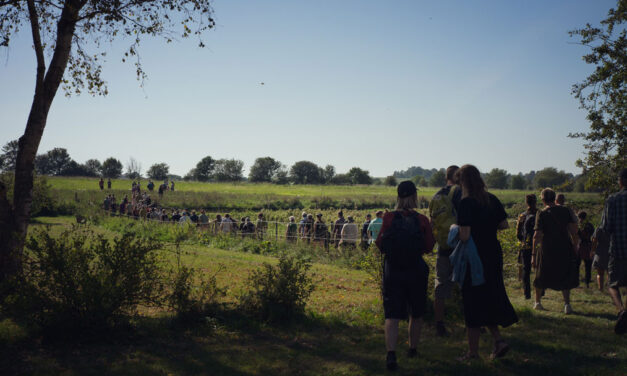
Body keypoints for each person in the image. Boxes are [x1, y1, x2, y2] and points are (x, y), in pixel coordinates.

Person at [456, 164, 518, 361]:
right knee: (490, 295)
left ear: (463, 181)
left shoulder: (466, 203)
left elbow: (464, 236)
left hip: (475, 257)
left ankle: (473, 352)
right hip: (493, 253)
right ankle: (498, 341)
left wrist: (453, 229)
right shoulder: (491, 199)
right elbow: (504, 224)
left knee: (472, 301)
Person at [375, 180, 434, 371]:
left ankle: (391, 354)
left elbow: (379, 243)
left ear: (398, 196)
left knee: (392, 313)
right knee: (416, 312)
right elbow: (429, 246)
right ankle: (413, 349)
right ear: (415, 196)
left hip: (393, 269)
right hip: (415, 269)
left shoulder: (389, 218)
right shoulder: (422, 220)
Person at [532, 188, 579, 313]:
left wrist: (533, 254)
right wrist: (575, 245)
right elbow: (574, 231)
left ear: (542, 199)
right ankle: (567, 305)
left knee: (541, 275)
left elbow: (537, 235)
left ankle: (537, 302)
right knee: (565, 274)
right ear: (554, 197)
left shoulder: (541, 213)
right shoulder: (565, 210)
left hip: (547, 249)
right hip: (564, 247)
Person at [429, 165, 462, 336]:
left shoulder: (436, 196)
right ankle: (475, 322)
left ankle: (439, 323)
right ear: (458, 177)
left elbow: (432, 222)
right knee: (468, 284)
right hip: (461, 245)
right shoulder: (460, 193)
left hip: (443, 247)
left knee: (440, 284)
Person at [597, 168, 627, 334]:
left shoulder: (613, 200)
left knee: (612, 284)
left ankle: (621, 310)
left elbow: (606, 227)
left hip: (618, 248)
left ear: (621, 181)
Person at [515, 194, 538, 300]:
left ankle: (527, 294)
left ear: (526, 202)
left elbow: (518, 234)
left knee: (526, 270)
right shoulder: (540, 214)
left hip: (526, 246)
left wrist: (524, 241)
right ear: (536, 201)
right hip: (539, 245)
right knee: (539, 268)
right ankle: (541, 292)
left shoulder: (522, 216)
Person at [577, 211, 595, 288]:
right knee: (588, 266)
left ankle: (576, 281)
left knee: (577, 265)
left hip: (580, 246)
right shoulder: (590, 225)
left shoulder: (579, 226)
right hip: (588, 245)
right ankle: (587, 282)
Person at [592, 225, 610, 291]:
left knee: (600, 273)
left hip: (600, 252)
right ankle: (610, 288)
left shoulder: (599, 229)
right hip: (611, 251)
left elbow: (594, 241)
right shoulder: (613, 227)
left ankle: (600, 288)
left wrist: (592, 251)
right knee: (610, 272)